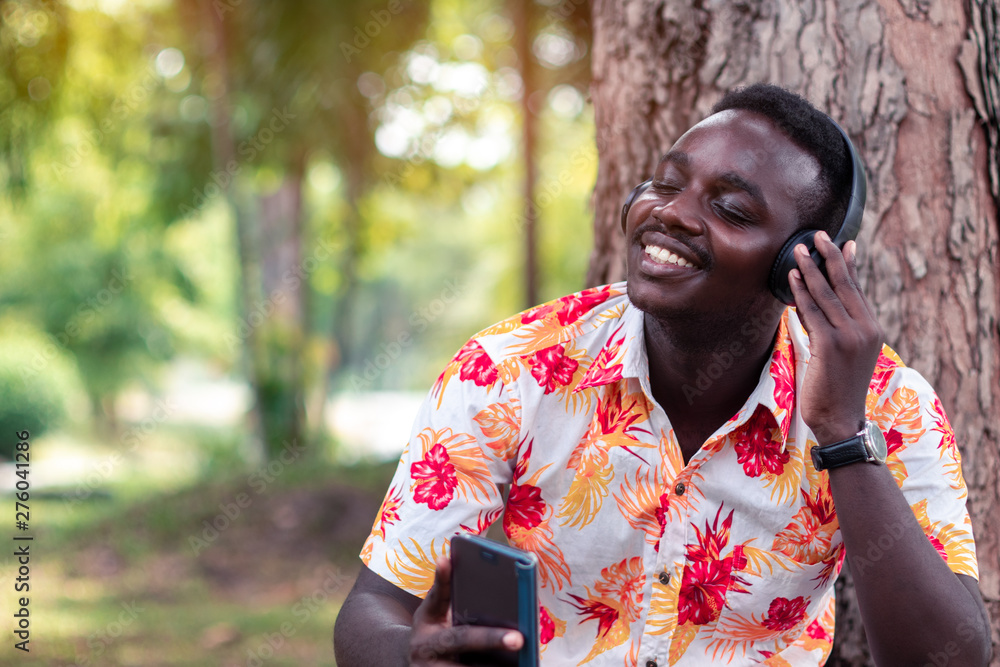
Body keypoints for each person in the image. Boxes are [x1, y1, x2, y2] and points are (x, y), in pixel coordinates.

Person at [333, 84, 992, 666]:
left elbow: (951, 657)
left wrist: (843, 434)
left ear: (801, 267)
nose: (671, 213)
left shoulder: (888, 405)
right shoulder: (511, 369)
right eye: (666, 183)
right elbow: (373, 609)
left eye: (731, 209)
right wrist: (410, 657)